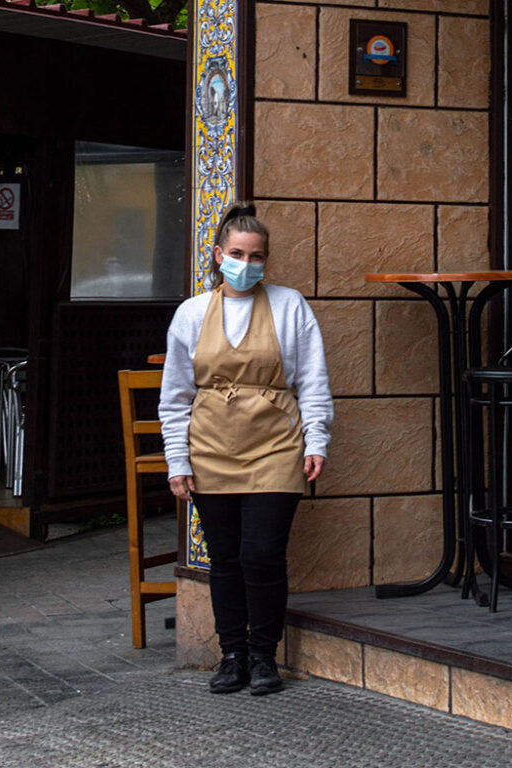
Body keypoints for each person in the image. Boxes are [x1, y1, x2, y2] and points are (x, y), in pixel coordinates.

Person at [158, 202, 334, 696]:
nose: (247, 263)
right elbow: (174, 398)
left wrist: (315, 438)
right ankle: (231, 654)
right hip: (211, 448)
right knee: (225, 558)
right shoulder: (191, 313)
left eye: (257, 256)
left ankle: (264, 657)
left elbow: (313, 381)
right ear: (217, 254)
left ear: (266, 260)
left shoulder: (289, 305)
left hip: (276, 445)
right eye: (237, 253)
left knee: (262, 553)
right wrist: (178, 459)